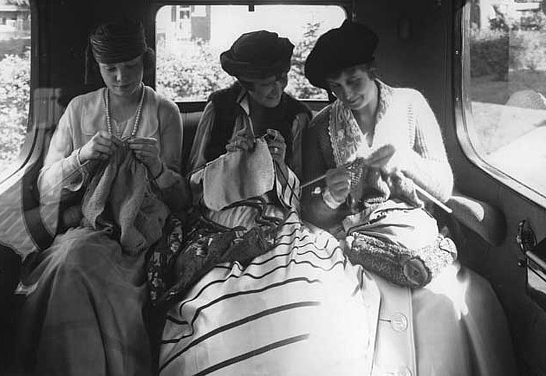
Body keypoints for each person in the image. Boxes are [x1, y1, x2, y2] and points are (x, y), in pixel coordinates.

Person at [302, 19, 517, 376]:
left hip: (413, 224)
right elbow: (309, 214)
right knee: (349, 312)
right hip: (356, 235)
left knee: (454, 301)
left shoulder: (410, 104)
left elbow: (443, 184)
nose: (346, 93)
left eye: (353, 80)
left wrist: (406, 158)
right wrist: (329, 198)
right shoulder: (319, 127)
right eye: (335, 87)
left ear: (372, 69)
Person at [159, 30, 380, 376]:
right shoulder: (218, 109)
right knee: (216, 305)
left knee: (311, 297)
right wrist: (226, 162)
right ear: (245, 83)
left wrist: (279, 166)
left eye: (281, 78)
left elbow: (304, 197)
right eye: (266, 83)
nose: (278, 89)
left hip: (279, 219)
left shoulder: (297, 116)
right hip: (221, 218)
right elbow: (191, 187)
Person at [19, 21, 189, 376]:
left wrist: (157, 167)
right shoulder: (80, 109)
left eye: (130, 66)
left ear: (146, 62)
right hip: (86, 226)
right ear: (96, 66)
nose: (121, 77)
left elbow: (179, 201)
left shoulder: (164, 111)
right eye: (109, 68)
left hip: (142, 236)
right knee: (72, 261)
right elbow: (47, 187)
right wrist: (81, 155)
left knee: (78, 264)